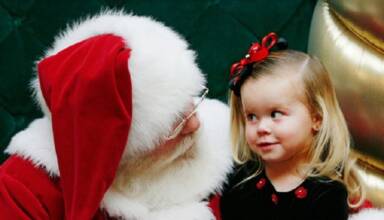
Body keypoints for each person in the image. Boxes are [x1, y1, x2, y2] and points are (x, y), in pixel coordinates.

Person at [0, 11, 233, 220]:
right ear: (113, 148)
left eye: (191, 103)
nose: (195, 124)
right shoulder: (23, 187)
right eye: (175, 125)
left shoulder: (223, 136)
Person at [218, 32, 365, 220]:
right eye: (252, 116)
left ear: (316, 118)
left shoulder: (328, 195)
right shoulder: (239, 182)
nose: (262, 127)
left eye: (275, 114)